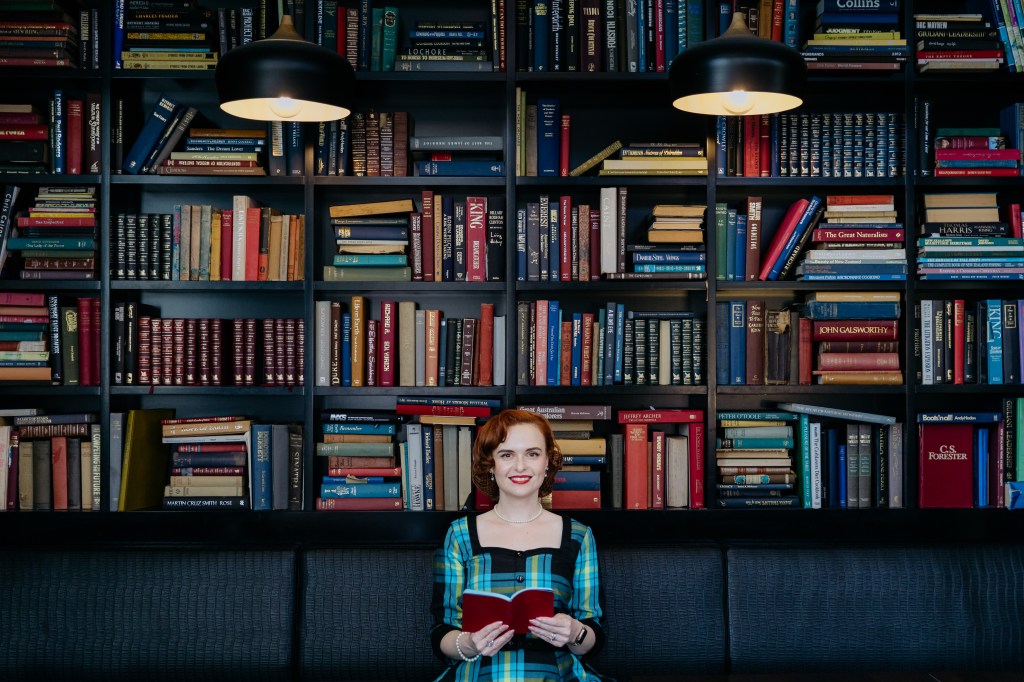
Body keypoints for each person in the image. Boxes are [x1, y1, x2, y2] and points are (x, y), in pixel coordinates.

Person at [430, 409, 606, 681]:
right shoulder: (460, 534)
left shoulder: (579, 536)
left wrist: (574, 632)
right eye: (507, 454)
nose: (520, 466)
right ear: (490, 464)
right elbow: (442, 630)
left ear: (547, 461)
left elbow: (593, 632)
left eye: (532, 454)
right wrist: (469, 643)